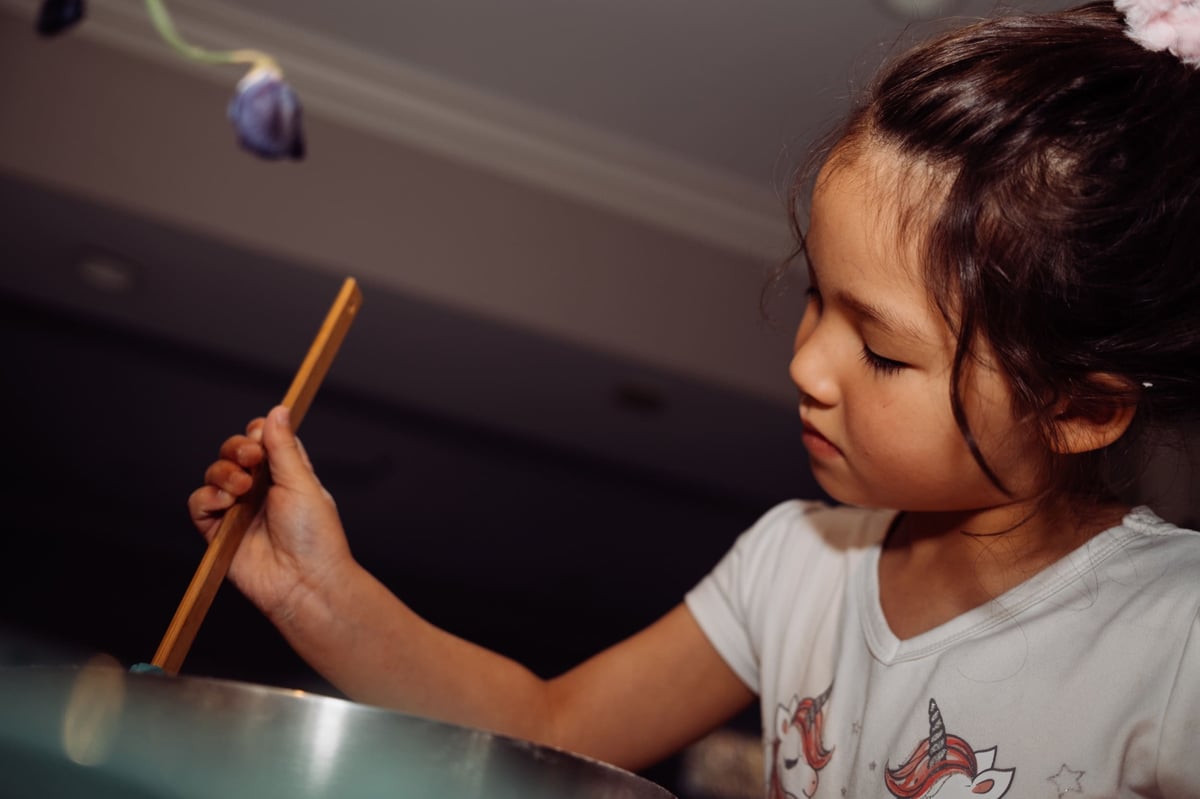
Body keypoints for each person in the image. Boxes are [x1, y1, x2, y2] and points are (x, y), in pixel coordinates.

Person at [188, 2, 1200, 796]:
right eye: (815, 300)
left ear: (1079, 408)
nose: (808, 367)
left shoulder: (1177, 633)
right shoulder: (795, 564)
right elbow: (549, 730)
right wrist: (314, 591)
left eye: (881, 352)